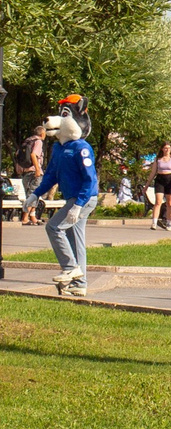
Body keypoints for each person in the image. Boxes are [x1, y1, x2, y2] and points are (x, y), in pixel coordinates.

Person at [33, 99, 100, 296]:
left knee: (53, 227)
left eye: (65, 115)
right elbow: (51, 175)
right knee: (75, 240)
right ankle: (80, 284)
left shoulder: (82, 147)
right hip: (73, 199)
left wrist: (78, 205)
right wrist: (35, 194)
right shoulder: (59, 148)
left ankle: (70, 267)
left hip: (84, 198)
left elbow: (89, 179)